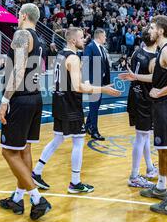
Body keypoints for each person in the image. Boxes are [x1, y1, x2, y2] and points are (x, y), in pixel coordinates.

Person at [32, 27, 120, 193]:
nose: (84, 40)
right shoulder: (72, 58)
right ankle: (75, 182)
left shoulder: (60, 54)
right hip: (70, 104)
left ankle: (36, 172)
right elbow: (77, 87)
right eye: (81, 37)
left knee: (58, 139)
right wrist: (102, 89)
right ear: (72, 40)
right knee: (79, 140)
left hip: (58, 100)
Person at [121, 15, 167, 217]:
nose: (149, 29)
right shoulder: (160, 51)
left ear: (161, 30)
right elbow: (155, 77)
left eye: (152, 27)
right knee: (162, 150)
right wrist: (136, 77)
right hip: (161, 105)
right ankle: (160, 187)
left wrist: (160, 92)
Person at [0, 3, 51, 220]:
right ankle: (18, 198)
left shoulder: (21, 34)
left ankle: (37, 199)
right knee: (24, 150)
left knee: (8, 152)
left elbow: (19, 70)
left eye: (18, 15)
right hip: (35, 97)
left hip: (20, 99)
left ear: (23, 15)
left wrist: (4, 99)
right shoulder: (40, 40)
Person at [125, 30, 158, 188]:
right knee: (141, 137)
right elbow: (155, 79)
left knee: (144, 135)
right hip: (144, 99)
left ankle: (150, 168)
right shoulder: (154, 59)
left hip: (134, 95)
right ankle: (134, 176)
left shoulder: (136, 52)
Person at [83, 28, 110, 141]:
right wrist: (87, 82)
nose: (105, 38)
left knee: (96, 106)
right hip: (93, 82)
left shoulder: (101, 48)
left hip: (100, 81)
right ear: (99, 36)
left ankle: (88, 126)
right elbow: (85, 64)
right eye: (104, 36)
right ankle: (94, 131)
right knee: (94, 107)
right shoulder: (90, 47)